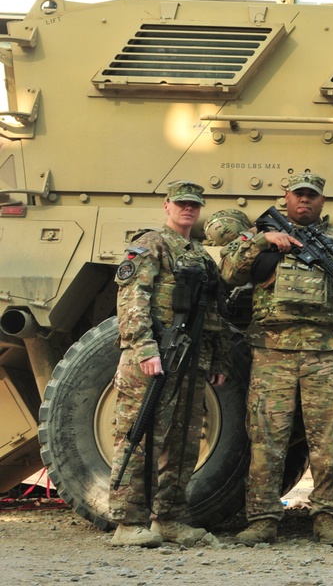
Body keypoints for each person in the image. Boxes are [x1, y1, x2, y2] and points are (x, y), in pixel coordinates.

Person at [220, 172, 333, 546]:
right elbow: (227, 272)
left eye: (312, 196)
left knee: (330, 440)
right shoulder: (261, 235)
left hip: (325, 354)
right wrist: (262, 241)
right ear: (286, 198)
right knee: (266, 439)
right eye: (298, 195)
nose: (304, 201)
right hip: (272, 352)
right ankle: (262, 519)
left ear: (322, 202)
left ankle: (327, 517)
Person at [109, 180, 230, 548]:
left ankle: (171, 518)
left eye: (194, 204)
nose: (187, 209)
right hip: (154, 357)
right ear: (167, 206)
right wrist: (144, 348)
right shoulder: (151, 244)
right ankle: (127, 522)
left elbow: (214, 312)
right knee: (138, 435)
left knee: (183, 441)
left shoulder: (202, 257)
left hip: (192, 360)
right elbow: (133, 297)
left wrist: (219, 356)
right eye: (181, 203)